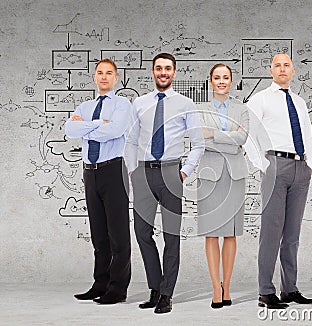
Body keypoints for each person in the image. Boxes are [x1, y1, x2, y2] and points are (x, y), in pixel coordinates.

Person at [124, 53, 204, 314]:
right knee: (142, 233)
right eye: (159, 68)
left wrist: (185, 171)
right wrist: (133, 169)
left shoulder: (186, 104)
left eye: (168, 69)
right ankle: (155, 288)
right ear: (152, 72)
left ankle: (167, 294)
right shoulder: (140, 103)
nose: (163, 72)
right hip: (144, 173)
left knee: (171, 236)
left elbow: (198, 142)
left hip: (172, 172)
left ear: (175, 72)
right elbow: (131, 140)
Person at [245, 53, 312, 309]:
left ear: (293, 70)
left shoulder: (299, 101)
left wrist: (310, 163)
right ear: (271, 70)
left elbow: (307, 133)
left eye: (286, 65)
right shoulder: (260, 99)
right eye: (278, 65)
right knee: (271, 232)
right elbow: (248, 134)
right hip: (275, 165)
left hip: (300, 167)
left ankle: (290, 289)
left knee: (293, 233)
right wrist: (263, 165)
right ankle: (266, 291)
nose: (282, 69)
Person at [65, 58, 131, 304]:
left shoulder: (122, 105)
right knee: (98, 234)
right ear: (94, 77)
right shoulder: (84, 106)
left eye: (109, 73)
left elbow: (114, 131)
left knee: (118, 234)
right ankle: (100, 283)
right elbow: (69, 130)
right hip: (89, 172)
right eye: (100, 73)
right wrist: (98, 124)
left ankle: (117, 288)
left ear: (116, 78)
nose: (104, 77)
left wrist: (88, 128)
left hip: (113, 170)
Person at [196, 64, 249, 308]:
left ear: (231, 81)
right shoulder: (200, 109)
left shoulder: (242, 109)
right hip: (209, 175)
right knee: (211, 233)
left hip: (235, 175)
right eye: (217, 78)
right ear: (210, 81)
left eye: (225, 78)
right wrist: (229, 138)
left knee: (231, 233)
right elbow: (200, 140)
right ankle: (214, 287)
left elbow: (243, 138)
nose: (221, 81)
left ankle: (227, 286)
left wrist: (214, 134)